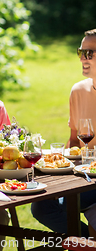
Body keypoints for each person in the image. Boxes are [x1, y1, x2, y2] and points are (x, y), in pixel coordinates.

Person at [32, 29, 96, 237]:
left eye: (89, 53)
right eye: (81, 53)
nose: (83, 59)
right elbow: (74, 142)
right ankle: (87, 243)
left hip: (90, 180)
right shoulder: (78, 91)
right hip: (84, 176)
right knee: (41, 206)